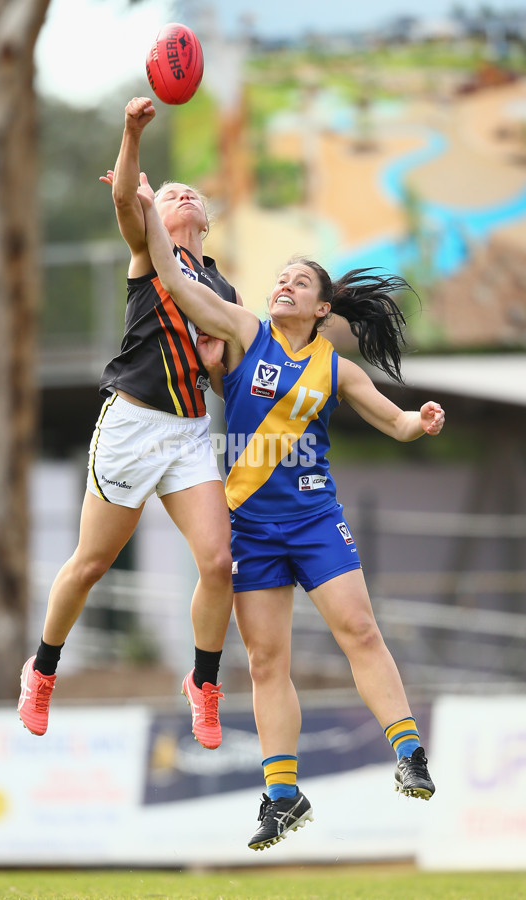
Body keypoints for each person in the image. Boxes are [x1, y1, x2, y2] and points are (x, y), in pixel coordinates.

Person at [136, 173, 445, 851]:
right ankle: (282, 795)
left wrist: (418, 421)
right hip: (250, 529)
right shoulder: (244, 332)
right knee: (269, 662)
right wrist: (144, 212)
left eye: (297, 283)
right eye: (279, 278)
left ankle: (409, 752)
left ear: (321, 306)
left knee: (359, 632)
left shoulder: (336, 369)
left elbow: (393, 424)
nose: (282, 286)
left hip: (314, 521)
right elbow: (171, 278)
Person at [18, 97, 241, 750]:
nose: (187, 194)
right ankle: (44, 669)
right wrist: (131, 134)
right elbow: (123, 204)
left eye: (191, 191)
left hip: (190, 434)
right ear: (156, 212)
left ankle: (202, 683)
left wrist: (217, 362)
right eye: (171, 193)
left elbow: (226, 377)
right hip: (132, 427)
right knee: (90, 564)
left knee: (219, 562)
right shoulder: (150, 254)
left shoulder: (223, 289)